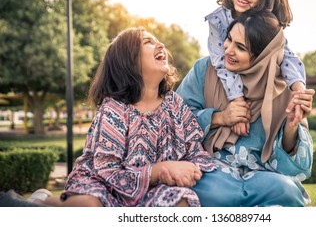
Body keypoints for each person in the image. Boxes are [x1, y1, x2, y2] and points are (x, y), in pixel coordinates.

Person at [27, 27, 216, 207]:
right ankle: (42, 201)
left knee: (182, 202)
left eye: (158, 41)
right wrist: (159, 170)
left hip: (153, 188)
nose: (160, 45)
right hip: (104, 185)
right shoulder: (114, 109)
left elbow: (195, 150)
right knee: (89, 206)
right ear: (129, 61)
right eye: (148, 42)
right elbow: (107, 170)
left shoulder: (175, 104)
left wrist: (187, 170)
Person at [174, 10, 315, 207]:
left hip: (265, 177)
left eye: (240, 47)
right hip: (211, 174)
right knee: (204, 191)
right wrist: (221, 117)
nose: (228, 50)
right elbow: (173, 120)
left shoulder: (285, 89)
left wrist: (292, 125)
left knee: (286, 191)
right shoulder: (204, 70)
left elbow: (296, 168)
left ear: (261, 56)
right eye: (229, 39)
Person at [206, 0, 307, 136]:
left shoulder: (267, 28)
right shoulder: (218, 20)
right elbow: (221, 61)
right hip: (228, 90)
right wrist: (238, 104)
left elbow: (286, 56)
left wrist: (299, 90)